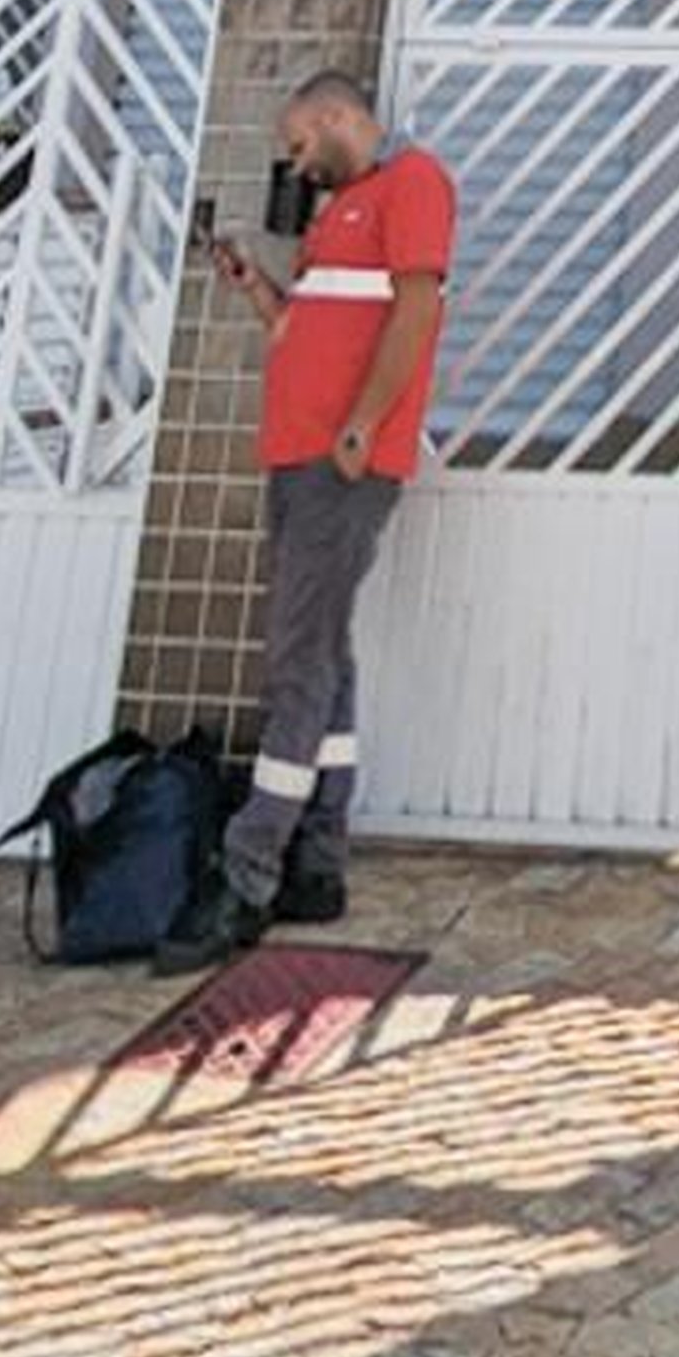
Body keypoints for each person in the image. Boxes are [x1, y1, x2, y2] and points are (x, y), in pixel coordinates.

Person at [164, 68, 455, 964]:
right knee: (323, 654)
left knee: (296, 659)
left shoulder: (412, 184)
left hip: (341, 462)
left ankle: (248, 873)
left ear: (335, 118)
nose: (296, 163)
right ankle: (318, 865)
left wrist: (364, 425)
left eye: (298, 144)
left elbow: (415, 311)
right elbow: (306, 329)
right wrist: (258, 289)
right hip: (298, 456)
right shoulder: (337, 214)